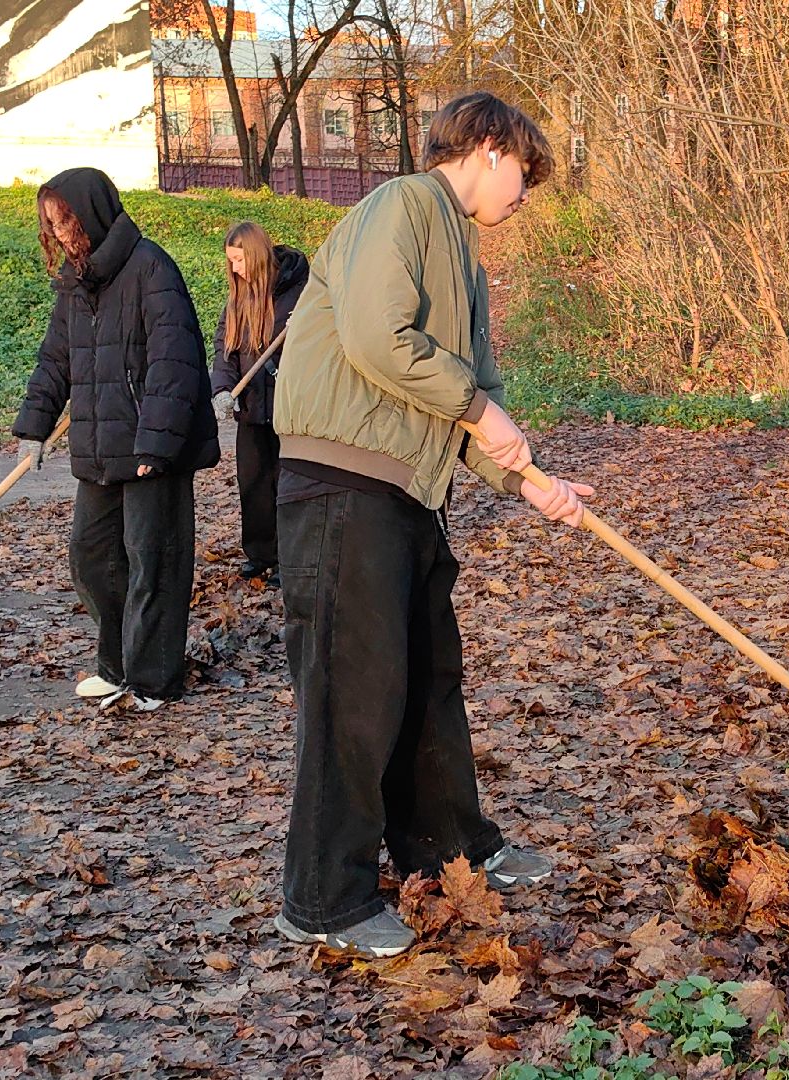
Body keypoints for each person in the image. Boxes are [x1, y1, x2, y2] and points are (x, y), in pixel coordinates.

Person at [271, 92, 593, 956]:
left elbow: (466, 400)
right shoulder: (404, 205)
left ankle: (450, 852)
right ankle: (322, 900)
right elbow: (382, 341)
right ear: (489, 147)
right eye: (526, 172)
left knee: (426, 683)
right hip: (341, 484)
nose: (526, 194)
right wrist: (481, 415)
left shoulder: (467, 258)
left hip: (408, 491)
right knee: (353, 696)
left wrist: (529, 481)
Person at [13, 167, 219, 712]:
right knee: (91, 556)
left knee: (154, 561)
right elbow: (57, 359)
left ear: (93, 212)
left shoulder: (152, 269)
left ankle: (152, 677)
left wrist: (156, 444)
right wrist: (34, 426)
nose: (59, 233)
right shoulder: (77, 285)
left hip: (155, 450)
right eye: (52, 224)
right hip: (100, 449)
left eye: (65, 221)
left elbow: (174, 364)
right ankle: (116, 665)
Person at [211, 222, 310, 588]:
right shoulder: (238, 297)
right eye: (231, 261)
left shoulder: (301, 292)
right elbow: (226, 348)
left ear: (253, 254)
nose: (234, 268)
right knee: (252, 483)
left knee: (288, 485)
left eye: (238, 260)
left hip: (289, 408)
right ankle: (260, 554)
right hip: (251, 409)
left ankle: (290, 558)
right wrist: (222, 389)